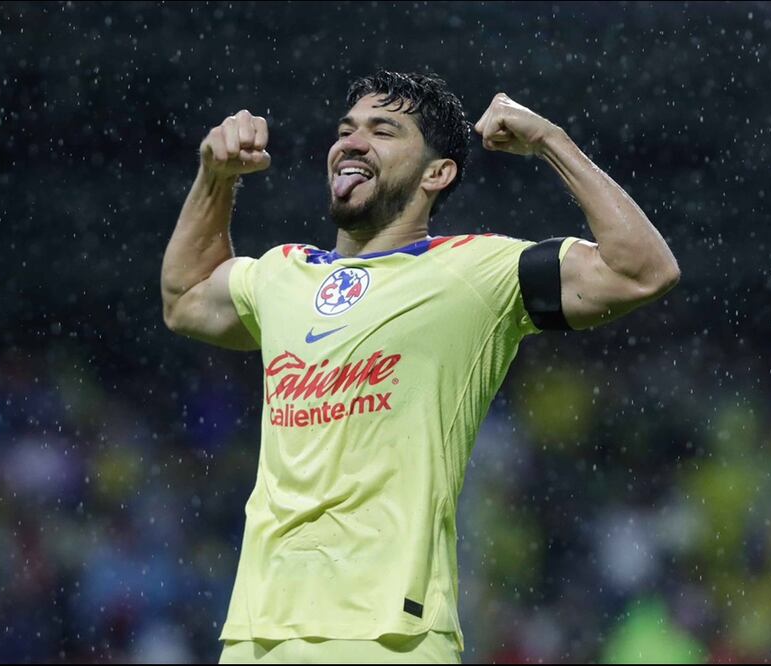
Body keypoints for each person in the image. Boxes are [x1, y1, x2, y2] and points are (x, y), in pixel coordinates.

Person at [161, 70, 680, 664]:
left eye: (383, 131)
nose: (353, 143)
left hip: (390, 637)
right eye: (346, 130)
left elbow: (642, 271)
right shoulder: (282, 272)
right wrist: (216, 176)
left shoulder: (475, 273)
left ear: (438, 174)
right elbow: (186, 298)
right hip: (256, 634)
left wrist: (550, 142)